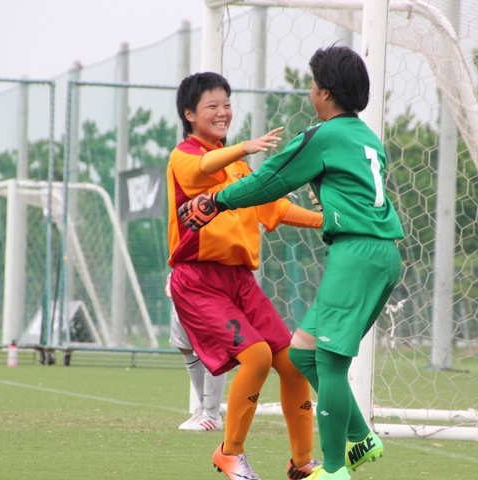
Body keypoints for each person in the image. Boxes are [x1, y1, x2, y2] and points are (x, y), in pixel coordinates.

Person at [178, 45, 405, 480]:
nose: (311, 91)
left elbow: (270, 181)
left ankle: (335, 471)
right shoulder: (367, 137)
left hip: (356, 253)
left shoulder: (324, 135)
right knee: (301, 355)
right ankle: (360, 435)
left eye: (313, 84)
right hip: (382, 253)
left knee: (330, 363)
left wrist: (217, 201)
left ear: (324, 92)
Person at [167, 71, 323, 480]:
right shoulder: (184, 156)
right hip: (198, 281)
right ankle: (230, 453)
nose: (222, 112)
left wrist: (327, 220)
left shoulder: (238, 166)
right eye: (212, 106)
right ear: (189, 114)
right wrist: (243, 148)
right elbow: (203, 165)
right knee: (254, 357)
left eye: (226, 104)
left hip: (239, 282)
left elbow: (276, 209)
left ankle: (303, 463)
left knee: (293, 363)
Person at [165, 272, 227, 432]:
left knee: (212, 350)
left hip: (206, 280)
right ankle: (204, 407)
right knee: (184, 346)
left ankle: (212, 415)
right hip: (181, 275)